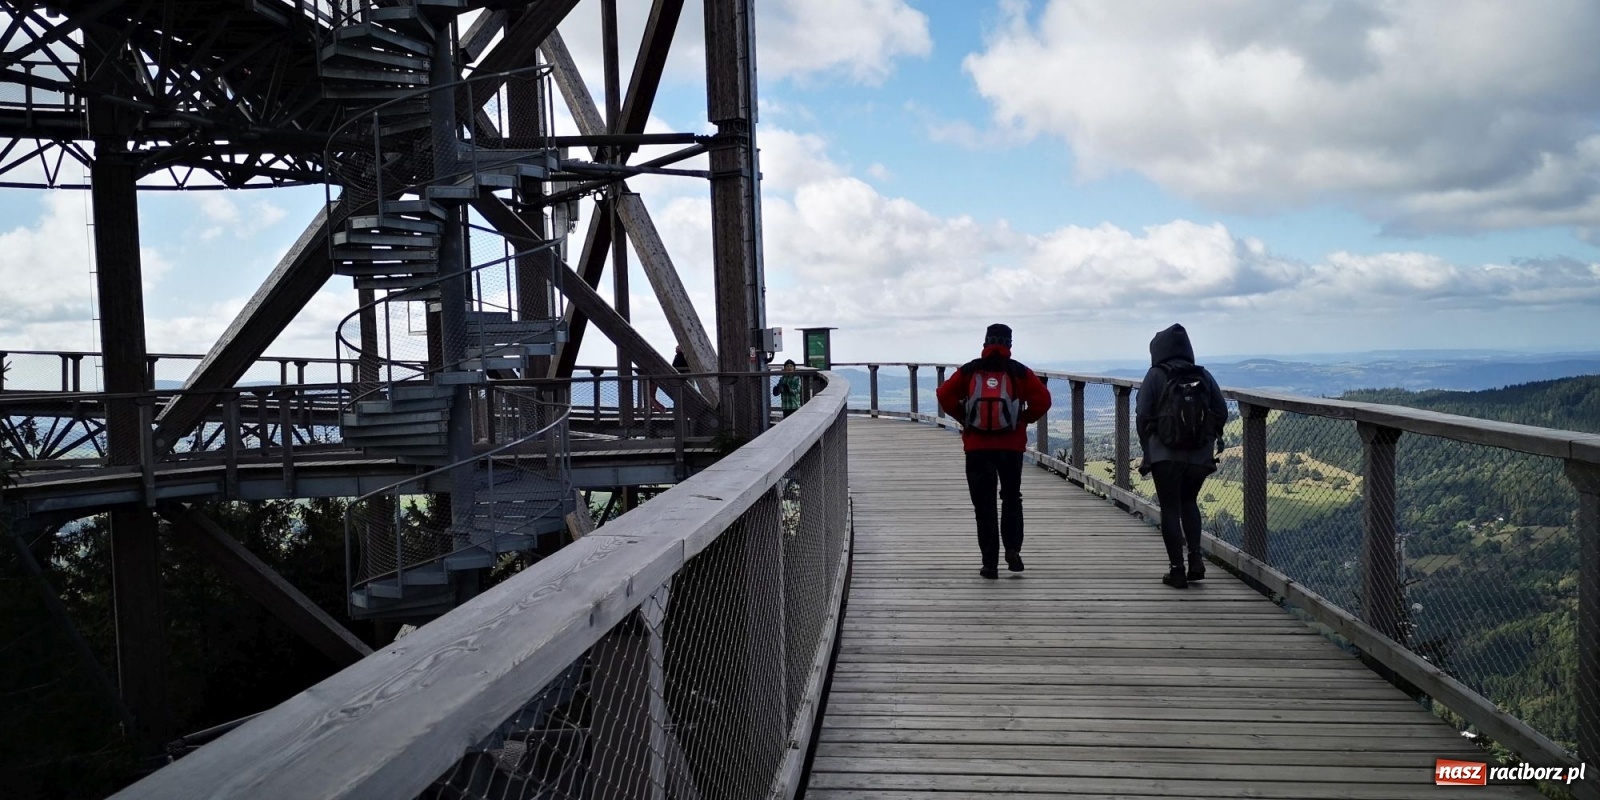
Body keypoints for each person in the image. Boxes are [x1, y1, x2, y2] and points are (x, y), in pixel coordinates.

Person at [936, 323, 1052, 579]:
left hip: (977, 447)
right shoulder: (1020, 371)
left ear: (986, 342)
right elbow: (1043, 400)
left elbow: (943, 394)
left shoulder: (970, 370)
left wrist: (965, 418)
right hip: (1010, 447)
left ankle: (990, 564)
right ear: (1009, 344)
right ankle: (1013, 548)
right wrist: (1022, 419)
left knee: (984, 505)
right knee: (1012, 497)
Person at [1135, 323, 1229, 589]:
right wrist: (1204, 438)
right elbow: (1221, 412)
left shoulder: (1155, 375)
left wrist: (1148, 447)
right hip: (1199, 455)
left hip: (1165, 454)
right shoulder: (1204, 376)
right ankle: (1196, 560)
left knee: (1170, 508)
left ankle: (1177, 570)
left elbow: (1142, 415)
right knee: (1189, 502)